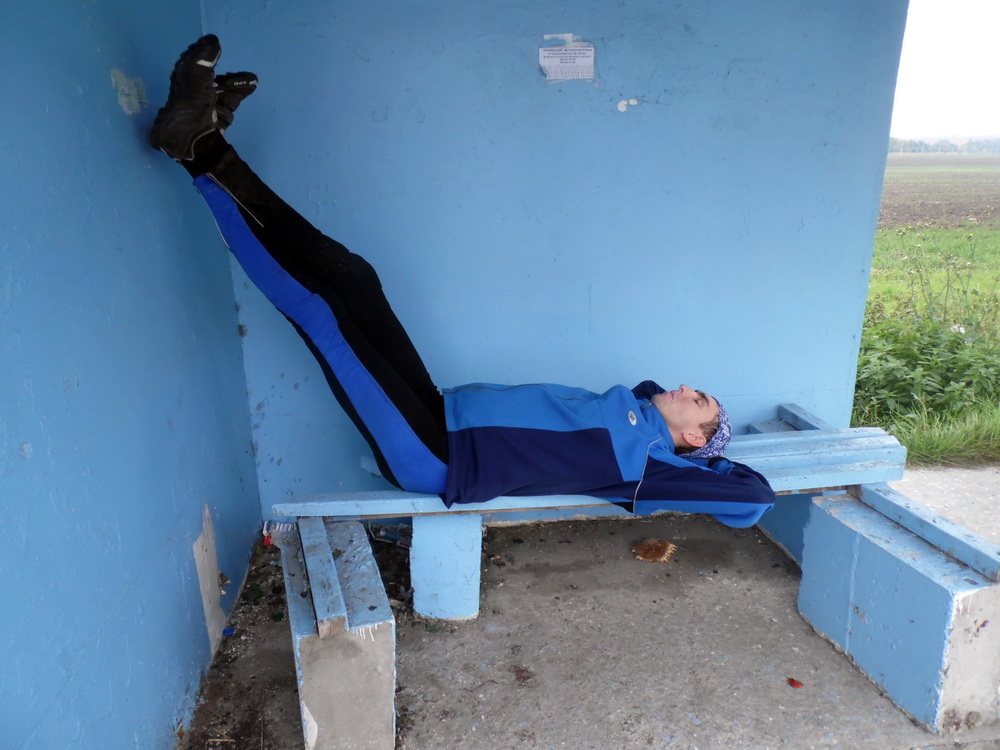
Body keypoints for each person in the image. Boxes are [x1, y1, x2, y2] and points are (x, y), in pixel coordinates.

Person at [150, 36, 776, 527]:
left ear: (690, 437)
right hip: (439, 409)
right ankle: (209, 143)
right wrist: (688, 422)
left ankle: (198, 153)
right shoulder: (633, 410)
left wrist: (710, 455)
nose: (685, 387)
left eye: (699, 401)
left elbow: (754, 499)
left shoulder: (645, 469)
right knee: (355, 279)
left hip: (436, 457)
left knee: (322, 312)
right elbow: (652, 392)